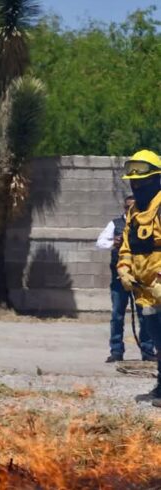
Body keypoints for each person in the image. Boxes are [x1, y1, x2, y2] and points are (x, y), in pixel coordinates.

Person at [115, 150, 161, 406]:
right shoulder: (134, 212)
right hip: (145, 290)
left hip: (159, 285)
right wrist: (124, 269)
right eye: (133, 181)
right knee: (157, 339)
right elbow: (126, 246)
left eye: (142, 181)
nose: (137, 185)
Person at [96, 195, 156, 362]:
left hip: (140, 278)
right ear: (124, 208)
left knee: (145, 314)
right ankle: (116, 351)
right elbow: (100, 243)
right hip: (119, 278)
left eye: (133, 206)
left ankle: (147, 351)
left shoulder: (146, 223)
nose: (131, 210)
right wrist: (113, 243)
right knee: (117, 315)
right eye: (128, 207)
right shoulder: (115, 224)